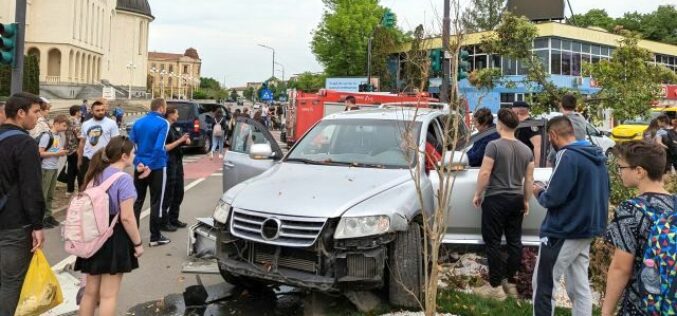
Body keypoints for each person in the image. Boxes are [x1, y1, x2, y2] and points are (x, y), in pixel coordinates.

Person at [531, 116, 609, 316]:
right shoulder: (596, 155)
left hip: (564, 230)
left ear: (553, 135)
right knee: (579, 287)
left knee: (544, 284)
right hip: (587, 228)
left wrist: (538, 191)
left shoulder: (567, 155)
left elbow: (553, 198)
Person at [602, 141, 676, 316]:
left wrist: (606, 312)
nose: (619, 172)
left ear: (639, 171)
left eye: (621, 167)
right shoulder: (675, 204)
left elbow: (621, 268)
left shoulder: (631, 210)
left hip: (642, 304)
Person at [75, 136, 143, 316]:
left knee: (90, 292)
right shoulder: (124, 179)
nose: (135, 156)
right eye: (133, 152)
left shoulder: (97, 173)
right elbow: (127, 217)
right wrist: (137, 243)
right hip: (114, 236)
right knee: (108, 296)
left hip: (93, 234)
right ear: (124, 156)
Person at [472, 108, 534, 300]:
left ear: (499, 125)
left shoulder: (494, 145)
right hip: (515, 199)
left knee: (493, 242)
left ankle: (496, 287)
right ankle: (512, 284)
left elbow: (484, 173)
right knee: (515, 242)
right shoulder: (526, 149)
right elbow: (529, 180)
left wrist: (478, 193)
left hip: (496, 199)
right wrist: (525, 200)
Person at [0, 92, 45, 314]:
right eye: (35, 112)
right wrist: (37, 225)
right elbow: (31, 189)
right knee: (11, 282)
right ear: (20, 113)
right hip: (14, 224)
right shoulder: (25, 143)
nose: (38, 117)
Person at [130, 98, 172, 246]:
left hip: (140, 165)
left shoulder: (138, 122)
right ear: (161, 108)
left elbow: (132, 145)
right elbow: (159, 146)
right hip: (157, 166)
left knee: (137, 201)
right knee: (156, 201)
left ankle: (132, 236)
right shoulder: (163, 123)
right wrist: (151, 166)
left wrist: (138, 163)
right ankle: (155, 236)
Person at [78, 101, 120, 186]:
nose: (101, 112)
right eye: (97, 110)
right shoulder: (85, 124)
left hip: (104, 159)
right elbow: (82, 142)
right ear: (92, 111)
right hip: (88, 159)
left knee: (103, 185)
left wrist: (114, 160)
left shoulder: (111, 123)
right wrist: (79, 159)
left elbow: (115, 142)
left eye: (102, 110)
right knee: (86, 184)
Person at [39, 115, 69, 229]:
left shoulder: (58, 136)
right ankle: (41, 218)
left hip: (54, 168)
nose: (65, 128)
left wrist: (61, 151)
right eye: (63, 125)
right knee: (44, 195)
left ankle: (48, 216)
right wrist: (57, 153)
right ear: (56, 123)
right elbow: (40, 152)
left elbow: (54, 149)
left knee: (50, 195)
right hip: (46, 168)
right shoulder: (47, 136)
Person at [164, 108, 191, 229]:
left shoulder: (174, 127)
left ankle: (174, 218)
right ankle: (164, 222)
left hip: (177, 161)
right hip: (169, 162)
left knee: (179, 192)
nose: (178, 115)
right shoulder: (165, 128)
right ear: (170, 115)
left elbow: (183, 140)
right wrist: (181, 140)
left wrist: (185, 140)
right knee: (169, 193)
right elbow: (165, 147)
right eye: (177, 113)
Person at [547, 94, 588, 166]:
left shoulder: (562, 122)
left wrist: (550, 159)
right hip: (582, 154)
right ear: (575, 105)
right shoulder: (581, 118)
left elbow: (558, 142)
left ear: (561, 105)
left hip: (565, 157)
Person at [512, 101, 542, 166]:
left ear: (516, 112)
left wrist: (537, 166)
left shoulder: (530, 125)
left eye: (512, 112)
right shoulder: (522, 125)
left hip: (527, 164)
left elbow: (537, 146)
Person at [65, 105, 83, 195]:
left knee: (71, 169)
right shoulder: (74, 121)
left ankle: (70, 189)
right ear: (76, 112)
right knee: (77, 169)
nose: (82, 112)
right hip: (75, 148)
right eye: (80, 111)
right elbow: (79, 135)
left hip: (69, 148)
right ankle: (79, 190)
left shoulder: (69, 120)